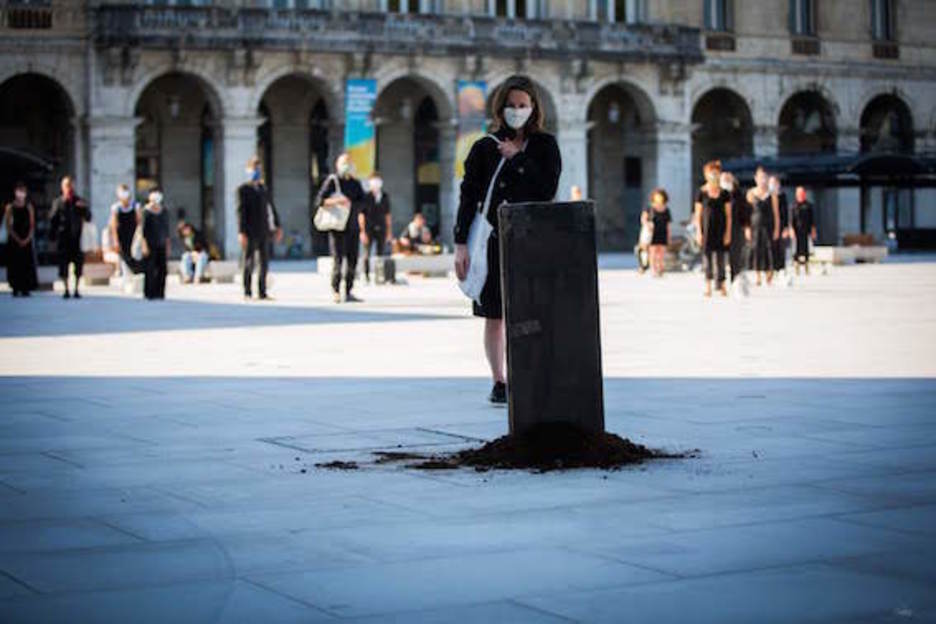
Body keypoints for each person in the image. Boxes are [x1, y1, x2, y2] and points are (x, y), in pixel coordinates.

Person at [453, 74, 562, 404]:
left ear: (533, 108)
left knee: (530, 311)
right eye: (511, 105)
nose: (517, 110)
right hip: (491, 240)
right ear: (501, 108)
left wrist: (519, 157)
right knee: (495, 314)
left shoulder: (544, 146)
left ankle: (528, 374)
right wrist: (460, 243)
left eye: (523, 105)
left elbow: (547, 190)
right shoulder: (484, 147)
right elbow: (468, 196)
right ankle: (499, 380)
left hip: (532, 239)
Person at [315, 153, 366, 303]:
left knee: (352, 259)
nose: (347, 166)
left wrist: (352, 205)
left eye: (349, 163)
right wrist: (336, 201)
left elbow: (363, 203)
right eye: (344, 163)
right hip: (337, 226)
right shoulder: (333, 181)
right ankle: (336, 290)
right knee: (338, 259)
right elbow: (319, 200)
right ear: (338, 165)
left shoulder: (356, 183)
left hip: (352, 226)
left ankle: (349, 290)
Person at [237, 156, 282, 300]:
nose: (256, 171)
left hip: (264, 230)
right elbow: (241, 212)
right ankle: (247, 291)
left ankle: (262, 291)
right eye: (254, 169)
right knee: (249, 261)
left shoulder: (264, 188)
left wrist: (277, 226)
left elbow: (271, 208)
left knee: (264, 262)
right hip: (249, 231)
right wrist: (241, 232)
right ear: (248, 170)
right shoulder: (243, 190)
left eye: (258, 169)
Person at [694, 160, 732, 298]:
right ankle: (708, 286)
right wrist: (698, 232)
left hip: (720, 228)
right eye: (711, 173)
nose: (714, 175)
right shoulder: (701, 192)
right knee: (707, 258)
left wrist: (728, 232)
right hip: (706, 229)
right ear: (706, 174)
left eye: (716, 173)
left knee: (721, 258)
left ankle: (722, 285)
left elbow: (728, 215)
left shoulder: (725, 193)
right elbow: (697, 214)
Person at [49, 175, 91, 299]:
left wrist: (84, 208)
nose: (69, 188)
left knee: (78, 265)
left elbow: (88, 217)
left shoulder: (79, 201)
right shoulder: (58, 202)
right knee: (63, 265)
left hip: (77, 238)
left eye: (71, 185)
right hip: (63, 238)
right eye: (66, 185)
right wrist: (52, 236)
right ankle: (66, 289)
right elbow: (53, 220)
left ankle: (76, 289)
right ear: (62, 187)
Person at [746, 166, 781, 286]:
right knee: (756, 249)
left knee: (769, 249)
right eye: (760, 177)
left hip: (769, 226)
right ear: (756, 178)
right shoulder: (750, 193)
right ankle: (758, 276)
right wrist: (747, 228)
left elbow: (776, 213)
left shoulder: (773, 195)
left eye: (765, 177)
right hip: (755, 226)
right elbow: (747, 212)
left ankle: (769, 274)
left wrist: (777, 228)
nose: (763, 180)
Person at [4, 181, 38, 296]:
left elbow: (32, 224)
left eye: (23, 191)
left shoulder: (29, 207)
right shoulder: (10, 207)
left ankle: (26, 287)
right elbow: (8, 225)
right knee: (15, 263)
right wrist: (17, 239)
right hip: (14, 239)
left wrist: (27, 238)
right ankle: (15, 287)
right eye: (19, 191)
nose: (21, 194)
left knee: (26, 264)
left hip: (26, 238)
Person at [360, 172, 392, 284]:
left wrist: (389, 231)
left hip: (381, 227)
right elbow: (361, 214)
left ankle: (380, 275)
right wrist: (362, 231)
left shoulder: (385, 196)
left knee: (380, 252)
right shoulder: (366, 196)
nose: (376, 183)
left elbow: (388, 215)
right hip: (369, 227)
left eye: (378, 180)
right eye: (374, 180)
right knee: (366, 253)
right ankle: (366, 275)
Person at [108, 183, 143, 283]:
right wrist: (115, 240)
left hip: (133, 234)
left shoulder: (135, 205)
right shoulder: (116, 208)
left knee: (134, 255)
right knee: (124, 255)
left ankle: (137, 273)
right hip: (121, 235)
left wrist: (139, 236)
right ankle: (127, 278)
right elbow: (113, 225)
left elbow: (139, 222)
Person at [721, 171, 751, 284]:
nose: (726, 182)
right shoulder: (717, 193)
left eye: (728, 180)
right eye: (724, 180)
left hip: (736, 228)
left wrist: (747, 226)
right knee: (720, 256)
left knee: (735, 255)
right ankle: (720, 280)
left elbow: (745, 212)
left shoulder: (739, 195)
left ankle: (735, 279)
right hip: (720, 229)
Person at [141, 189, 170, 300]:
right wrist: (144, 246)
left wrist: (167, 246)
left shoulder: (164, 211)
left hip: (161, 243)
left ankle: (160, 292)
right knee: (150, 269)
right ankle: (149, 292)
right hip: (149, 244)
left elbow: (167, 231)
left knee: (162, 269)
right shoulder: (146, 212)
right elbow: (143, 232)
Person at [176, 209, 210, 284]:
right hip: (191, 255)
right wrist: (192, 254)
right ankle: (187, 276)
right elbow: (186, 250)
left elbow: (205, 247)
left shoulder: (198, 235)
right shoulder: (184, 239)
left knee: (201, 257)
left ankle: (198, 277)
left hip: (201, 253)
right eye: (183, 231)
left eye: (186, 229)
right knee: (185, 257)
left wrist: (197, 253)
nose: (185, 232)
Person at [644, 188, 671, 277]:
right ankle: (653, 269)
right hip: (652, 233)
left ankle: (660, 269)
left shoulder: (666, 210)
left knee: (661, 253)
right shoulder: (649, 208)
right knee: (653, 252)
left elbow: (668, 224)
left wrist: (668, 236)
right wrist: (648, 225)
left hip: (662, 232)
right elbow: (643, 219)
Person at [792, 186, 817, 275]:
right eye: (799, 193)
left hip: (806, 230)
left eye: (802, 193)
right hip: (796, 230)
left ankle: (806, 267)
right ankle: (796, 267)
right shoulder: (793, 206)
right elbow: (791, 219)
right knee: (796, 249)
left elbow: (812, 219)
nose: (801, 195)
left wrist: (813, 230)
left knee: (806, 248)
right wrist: (791, 230)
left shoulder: (808, 205)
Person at [770, 175, 790, 277]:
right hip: (770, 226)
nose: (773, 185)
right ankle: (772, 268)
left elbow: (785, 212)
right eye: (771, 183)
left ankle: (781, 268)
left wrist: (786, 227)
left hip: (781, 225)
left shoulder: (782, 196)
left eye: (774, 183)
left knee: (781, 247)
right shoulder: (768, 196)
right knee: (771, 247)